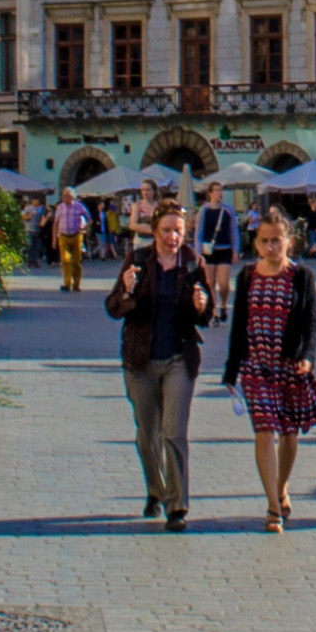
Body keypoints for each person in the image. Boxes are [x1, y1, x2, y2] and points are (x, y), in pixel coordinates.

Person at [223, 209, 316, 532]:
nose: (271, 247)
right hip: (256, 367)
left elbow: (311, 322)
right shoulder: (246, 276)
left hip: (289, 367)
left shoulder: (302, 276)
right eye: (265, 241)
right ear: (256, 243)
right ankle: (273, 507)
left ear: (289, 241)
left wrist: (308, 357)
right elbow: (239, 324)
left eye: (277, 241)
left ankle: (281, 485)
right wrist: (232, 369)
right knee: (264, 431)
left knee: (289, 436)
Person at [108, 206, 215, 529]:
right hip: (140, 359)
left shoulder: (194, 263)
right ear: (154, 231)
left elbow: (206, 315)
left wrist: (203, 306)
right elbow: (113, 307)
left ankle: (177, 505)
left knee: (173, 432)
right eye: (167, 230)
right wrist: (126, 290)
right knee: (147, 434)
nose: (173, 237)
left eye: (178, 231)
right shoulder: (138, 262)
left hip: (178, 359)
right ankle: (156, 490)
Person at [194, 191, 241, 318]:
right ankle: (214, 310)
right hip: (208, 250)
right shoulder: (204, 210)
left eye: (221, 190)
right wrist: (198, 252)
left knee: (224, 283)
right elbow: (199, 231)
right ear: (210, 193)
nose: (219, 193)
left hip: (225, 249)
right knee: (210, 282)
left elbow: (233, 230)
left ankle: (224, 303)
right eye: (216, 191)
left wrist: (236, 250)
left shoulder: (228, 210)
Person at [52, 189, 90, 293]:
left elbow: (89, 219)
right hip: (63, 236)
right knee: (65, 260)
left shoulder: (79, 206)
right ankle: (67, 283)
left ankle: (76, 284)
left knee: (77, 261)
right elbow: (55, 223)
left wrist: (84, 228)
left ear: (72, 197)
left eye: (67, 196)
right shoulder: (60, 207)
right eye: (64, 196)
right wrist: (54, 239)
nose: (64, 198)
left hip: (76, 236)